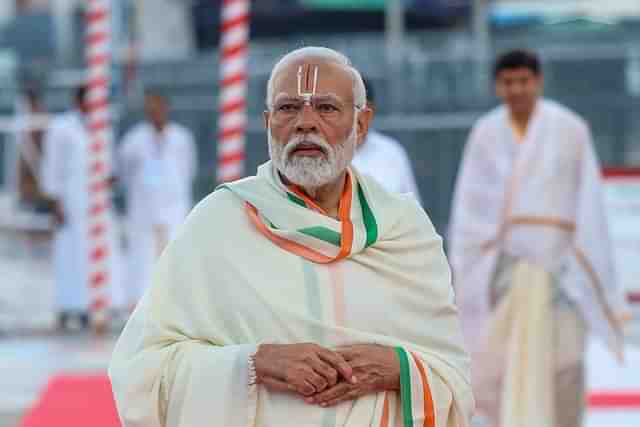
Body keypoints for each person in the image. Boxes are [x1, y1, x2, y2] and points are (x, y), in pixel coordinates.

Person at [109, 47, 473, 427]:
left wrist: (398, 368)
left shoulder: (404, 230)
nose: (306, 123)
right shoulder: (218, 225)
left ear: (361, 124)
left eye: (327, 108)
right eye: (288, 108)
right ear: (267, 122)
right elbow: (142, 372)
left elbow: (453, 376)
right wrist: (255, 363)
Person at [448, 49, 628, 427]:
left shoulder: (570, 129)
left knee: (566, 364)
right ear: (498, 86)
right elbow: (470, 204)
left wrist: (583, 257)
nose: (516, 89)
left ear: (538, 81)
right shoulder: (485, 132)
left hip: (561, 268)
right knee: (497, 367)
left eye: (524, 81)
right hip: (503, 268)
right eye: (508, 82)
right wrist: (471, 265)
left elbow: (588, 201)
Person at [40, 85, 121, 331]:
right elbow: (52, 165)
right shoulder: (61, 127)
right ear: (79, 101)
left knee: (100, 252)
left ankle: (94, 306)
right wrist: (55, 202)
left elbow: (110, 166)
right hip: (71, 201)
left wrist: (109, 179)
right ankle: (68, 307)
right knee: (70, 254)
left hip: (97, 201)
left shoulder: (103, 128)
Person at [117, 91, 197, 309]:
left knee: (174, 257)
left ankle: (174, 307)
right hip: (143, 210)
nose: (155, 112)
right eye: (151, 108)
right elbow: (123, 173)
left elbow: (188, 171)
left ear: (166, 108)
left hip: (173, 208)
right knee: (141, 259)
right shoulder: (133, 140)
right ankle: (138, 307)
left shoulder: (182, 138)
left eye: (159, 107)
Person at [351, 77, 422, 203]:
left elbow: (413, 206)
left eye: (362, 110)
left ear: (371, 111)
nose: (357, 118)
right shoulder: (326, 155)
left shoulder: (392, 152)